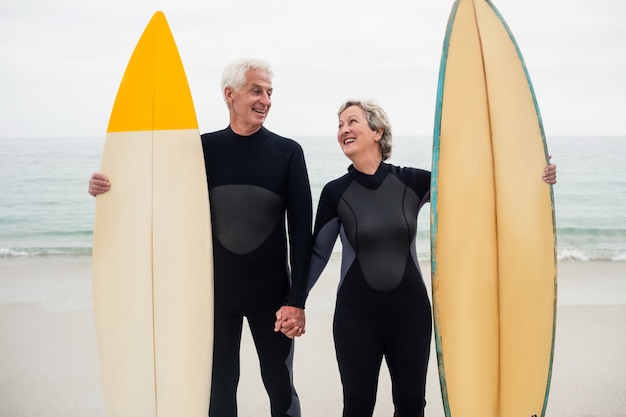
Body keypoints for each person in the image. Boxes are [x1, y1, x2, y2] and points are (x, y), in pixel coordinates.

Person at [276, 99, 557, 416]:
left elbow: (475, 188)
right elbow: (317, 252)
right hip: (355, 317)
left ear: (377, 130)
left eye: (351, 121)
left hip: (410, 314)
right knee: (357, 406)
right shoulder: (335, 192)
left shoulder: (412, 181)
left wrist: (534, 173)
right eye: (340, 125)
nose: (343, 130)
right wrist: (295, 301)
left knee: (411, 406)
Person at [89, 58, 312, 417]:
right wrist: (106, 189)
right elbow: (155, 194)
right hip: (213, 296)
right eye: (257, 90)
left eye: (270, 92)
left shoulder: (287, 152)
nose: (266, 100)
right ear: (230, 94)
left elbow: (301, 232)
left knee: (280, 384)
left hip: (272, 296)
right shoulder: (201, 150)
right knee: (219, 388)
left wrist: (296, 299)